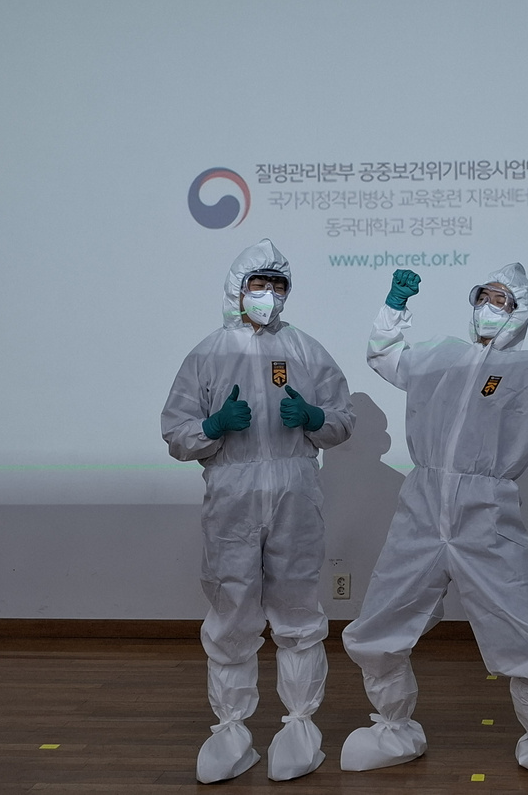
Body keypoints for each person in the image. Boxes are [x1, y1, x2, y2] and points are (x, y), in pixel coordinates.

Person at [340, 264, 528, 785]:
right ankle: (392, 728)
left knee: (519, 625)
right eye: (484, 296)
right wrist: (394, 306)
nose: (489, 307)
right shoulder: (440, 354)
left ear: (520, 312)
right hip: (422, 504)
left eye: (502, 300)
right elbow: (385, 355)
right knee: (382, 619)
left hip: (487, 510)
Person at [161, 239, 355, 783]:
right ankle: (230, 732)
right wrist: (213, 427)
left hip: (295, 490)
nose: (268, 294)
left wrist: (315, 417)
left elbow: (342, 419)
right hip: (232, 494)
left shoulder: (306, 350)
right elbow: (176, 433)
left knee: (298, 611)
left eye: (277, 285)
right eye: (258, 284)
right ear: (237, 289)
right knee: (232, 610)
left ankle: (300, 729)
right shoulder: (206, 354)